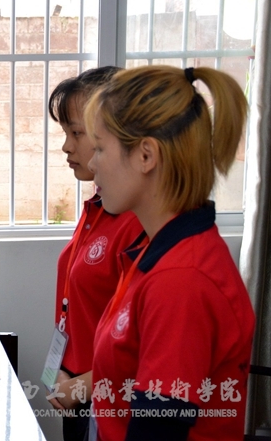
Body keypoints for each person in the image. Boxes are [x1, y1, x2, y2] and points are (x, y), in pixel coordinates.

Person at [85, 65, 255, 440]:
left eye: (99, 148)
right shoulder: (156, 250)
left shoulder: (181, 281)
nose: (92, 163)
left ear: (146, 155)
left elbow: (157, 429)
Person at [45, 66, 143, 441]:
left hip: (105, 397)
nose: (67, 147)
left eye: (77, 133)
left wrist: (81, 386)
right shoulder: (99, 206)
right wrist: (61, 372)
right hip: (75, 386)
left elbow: (138, 346)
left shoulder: (137, 221)